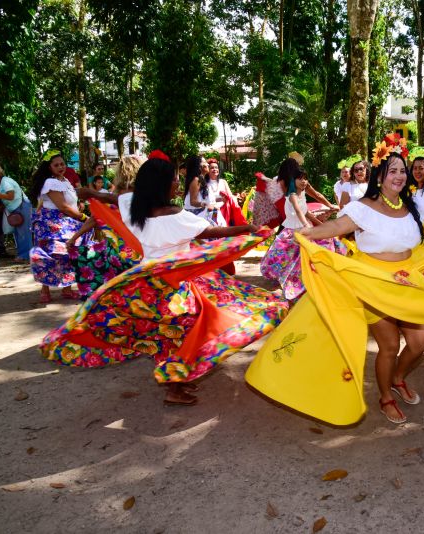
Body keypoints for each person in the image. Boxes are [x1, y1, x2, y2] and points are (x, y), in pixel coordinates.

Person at [246, 135, 424, 425]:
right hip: (371, 281)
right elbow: (337, 226)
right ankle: (385, 397)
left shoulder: (415, 204)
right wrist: (305, 234)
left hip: (405, 280)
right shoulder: (362, 207)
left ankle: (398, 378)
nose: (400, 175)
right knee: (389, 346)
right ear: (380, 176)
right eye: (393, 170)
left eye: (402, 170)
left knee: (419, 341)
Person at [41, 152, 288, 406]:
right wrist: (246, 229)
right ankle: (174, 384)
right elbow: (212, 231)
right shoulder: (174, 214)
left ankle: (177, 379)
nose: (177, 184)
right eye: (173, 181)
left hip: (144, 285)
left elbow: (116, 197)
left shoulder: (133, 207)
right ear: (161, 185)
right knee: (187, 332)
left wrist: (92, 194)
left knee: (167, 336)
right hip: (172, 289)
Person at [260, 166, 341, 300]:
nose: (303, 181)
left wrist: (321, 227)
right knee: (284, 259)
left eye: (305, 179)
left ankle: (306, 283)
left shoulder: (302, 193)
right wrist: (306, 226)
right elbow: (298, 211)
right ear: (293, 180)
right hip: (292, 231)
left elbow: (306, 212)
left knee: (315, 251)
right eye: (300, 179)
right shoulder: (291, 195)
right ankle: (289, 284)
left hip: (305, 229)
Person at [68, 155, 143, 298]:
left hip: (117, 250)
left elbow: (95, 218)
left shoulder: (114, 195)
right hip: (142, 249)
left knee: (115, 290)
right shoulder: (147, 194)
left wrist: (74, 237)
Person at [29, 150, 86, 303]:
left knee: (67, 254)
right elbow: (63, 206)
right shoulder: (50, 182)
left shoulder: (65, 180)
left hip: (66, 223)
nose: (61, 167)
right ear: (49, 167)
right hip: (53, 224)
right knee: (48, 255)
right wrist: (83, 217)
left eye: (62, 164)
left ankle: (67, 289)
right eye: (56, 165)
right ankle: (44, 290)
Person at [0, 165, 32, 262]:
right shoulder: (2, 182)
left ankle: (25, 256)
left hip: (21, 207)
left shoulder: (5, 182)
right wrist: (2, 206)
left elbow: (11, 196)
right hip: (17, 207)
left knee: (23, 233)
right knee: (18, 233)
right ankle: (23, 255)